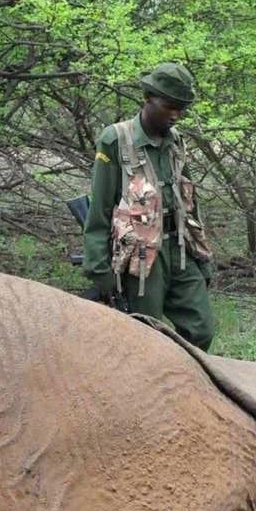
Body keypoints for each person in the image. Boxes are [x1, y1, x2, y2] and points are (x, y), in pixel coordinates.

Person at [83, 62, 215, 351]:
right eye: (170, 106)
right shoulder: (115, 139)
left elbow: (190, 202)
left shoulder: (176, 141)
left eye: (182, 108)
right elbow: (100, 210)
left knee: (201, 329)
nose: (177, 115)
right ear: (148, 98)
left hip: (180, 249)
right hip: (141, 257)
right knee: (144, 337)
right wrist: (100, 269)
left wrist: (202, 257)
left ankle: (183, 381)